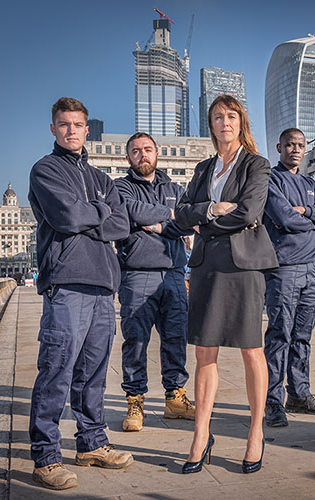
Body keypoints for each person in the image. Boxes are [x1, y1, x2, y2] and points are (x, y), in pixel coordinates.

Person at [28, 97, 133, 490]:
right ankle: (46, 456)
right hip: (67, 283)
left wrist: (96, 212)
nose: (71, 130)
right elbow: (67, 217)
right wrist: (100, 212)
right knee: (56, 369)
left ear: (88, 129)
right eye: (64, 124)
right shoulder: (45, 170)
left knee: (93, 373)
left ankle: (91, 443)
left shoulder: (103, 179)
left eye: (78, 124)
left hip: (104, 287)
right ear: (53, 129)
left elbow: (121, 224)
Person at [175, 95, 278, 474]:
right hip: (205, 266)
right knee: (205, 353)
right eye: (217, 117)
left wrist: (207, 224)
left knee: (252, 349)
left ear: (241, 122)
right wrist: (210, 210)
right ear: (211, 124)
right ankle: (201, 433)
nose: (224, 122)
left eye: (231, 116)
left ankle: (255, 432)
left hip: (242, 266)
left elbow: (250, 211)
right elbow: (183, 213)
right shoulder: (203, 169)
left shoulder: (256, 164)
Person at [115, 132, 195, 431]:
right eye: (136, 151)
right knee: (136, 340)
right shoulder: (120, 187)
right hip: (137, 274)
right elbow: (131, 211)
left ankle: (175, 397)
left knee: (176, 338)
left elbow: (185, 222)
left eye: (147, 150)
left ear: (157, 154)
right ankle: (135, 401)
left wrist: (159, 225)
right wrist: (169, 217)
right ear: (128, 158)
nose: (142, 155)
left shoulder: (174, 187)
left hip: (174, 273)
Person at [263, 128, 315, 428]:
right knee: (280, 335)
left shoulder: (310, 183)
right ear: (279, 147)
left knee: (303, 337)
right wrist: (308, 218)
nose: (295, 149)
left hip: (311, 270)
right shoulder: (271, 180)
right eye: (290, 144)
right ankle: (273, 402)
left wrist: (308, 213)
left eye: (300, 145)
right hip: (284, 268)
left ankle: (299, 395)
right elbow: (284, 219)